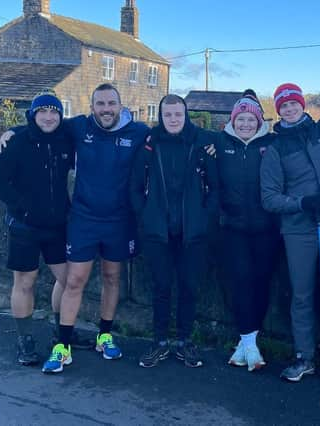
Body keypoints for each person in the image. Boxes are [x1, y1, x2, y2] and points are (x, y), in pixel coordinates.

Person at [0, 84, 148, 374]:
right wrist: (12, 132)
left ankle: (104, 335)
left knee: (112, 277)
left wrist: (209, 144)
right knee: (75, 280)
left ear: (121, 105)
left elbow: (172, 135)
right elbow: (43, 123)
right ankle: (62, 345)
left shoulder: (139, 132)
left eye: (111, 103)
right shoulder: (79, 127)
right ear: (92, 107)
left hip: (119, 220)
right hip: (83, 218)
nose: (106, 109)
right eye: (100, 103)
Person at [260, 83, 320, 390]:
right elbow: (269, 197)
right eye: (283, 105)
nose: (289, 108)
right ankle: (304, 356)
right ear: (278, 110)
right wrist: (301, 203)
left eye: (293, 103)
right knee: (301, 296)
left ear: (303, 104)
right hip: (299, 229)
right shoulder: (275, 148)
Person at [131, 94, 218, 368]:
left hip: (193, 231)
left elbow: (215, 186)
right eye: (167, 115)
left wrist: (205, 217)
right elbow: (134, 187)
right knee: (161, 287)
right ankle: (159, 341)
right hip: (158, 230)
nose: (173, 119)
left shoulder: (203, 141)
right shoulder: (149, 143)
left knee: (189, 287)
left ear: (186, 114)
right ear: (161, 116)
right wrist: (145, 215)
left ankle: (184, 341)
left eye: (177, 114)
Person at [0, 92, 73, 366]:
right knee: (25, 282)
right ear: (33, 115)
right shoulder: (17, 142)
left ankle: (61, 333)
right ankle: (24, 339)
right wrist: (23, 208)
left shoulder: (66, 139)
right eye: (43, 112)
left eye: (54, 112)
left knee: (68, 279)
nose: (49, 117)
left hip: (57, 225)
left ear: (60, 116)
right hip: (25, 226)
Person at [214, 90, 279, 372]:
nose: (244, 124)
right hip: (233, 227)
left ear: (258, 121)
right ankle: (249, 342)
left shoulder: (272, 143)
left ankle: (247, 342)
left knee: (261, 283)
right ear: (233, 120)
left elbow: (302, 133)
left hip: (266, 227)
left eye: (250, 119)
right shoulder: (219, 142)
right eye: (240, 119)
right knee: (239, 281)